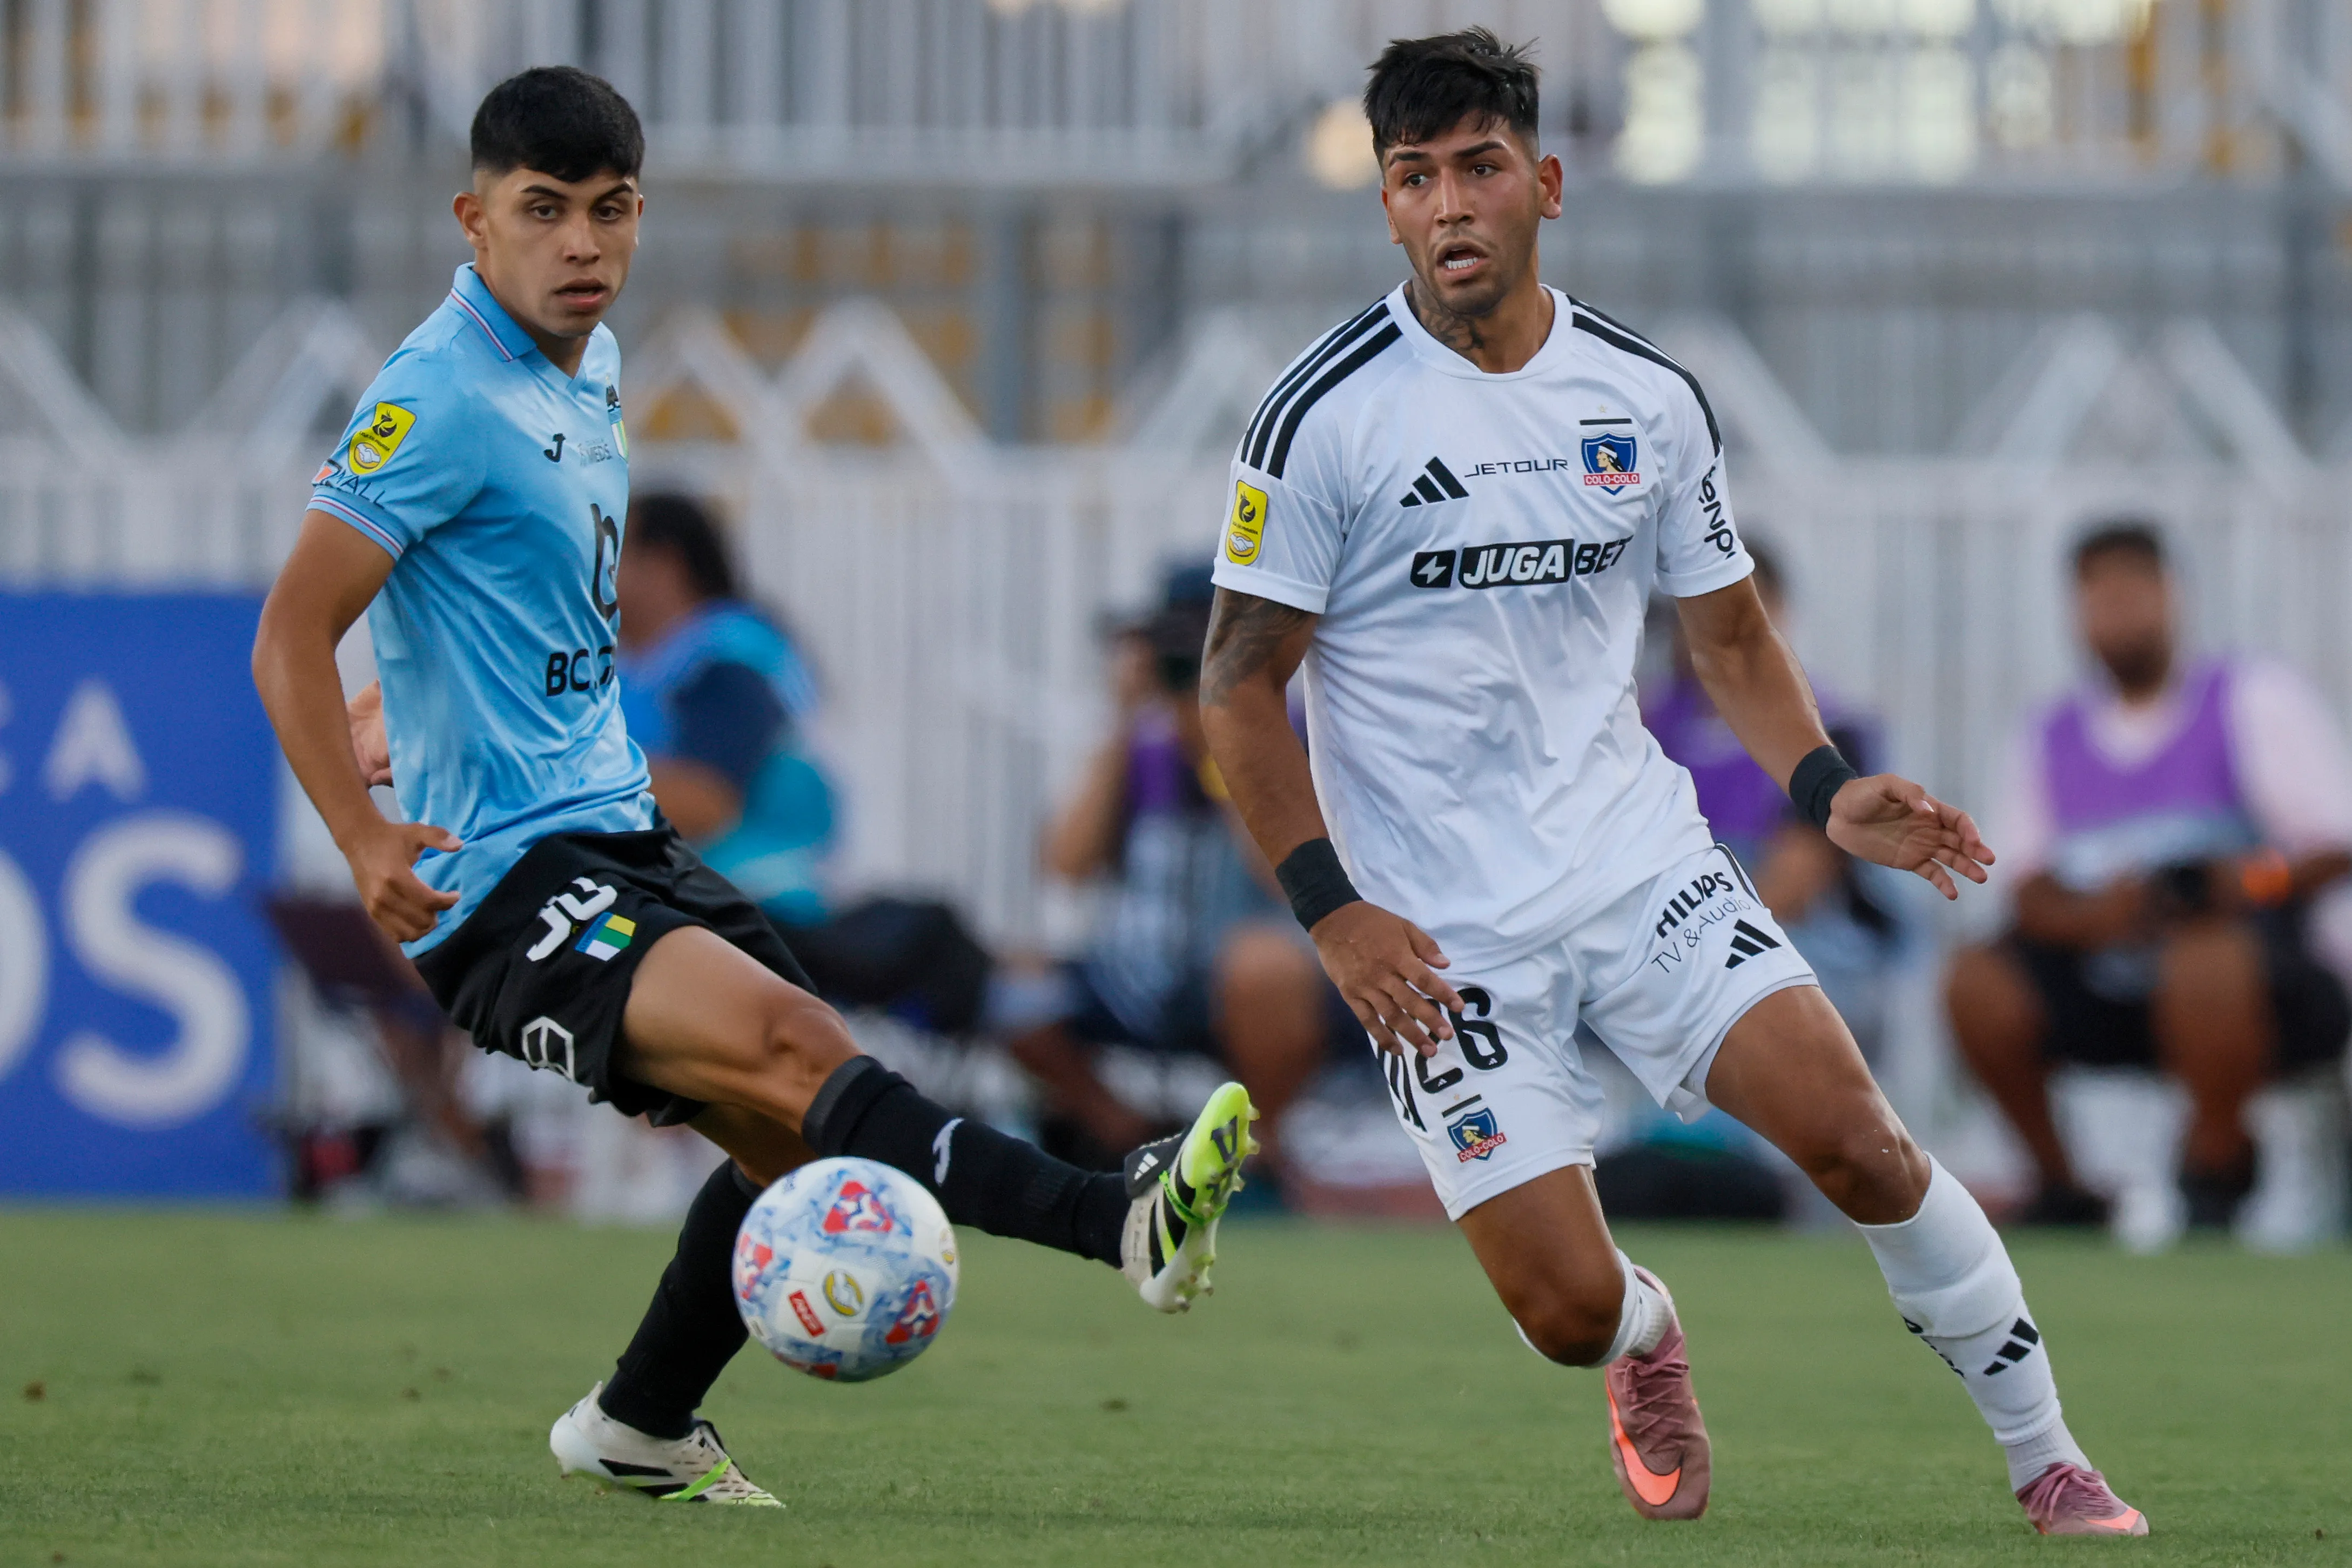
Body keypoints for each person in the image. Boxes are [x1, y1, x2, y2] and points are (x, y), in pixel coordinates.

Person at [251, 67, 1255, 1508]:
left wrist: (407, 701)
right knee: (797, 1048)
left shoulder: (589, 362)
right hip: (504, 886)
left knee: (797, 1132)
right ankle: (1124, 1218)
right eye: (543, 211)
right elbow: (288, 629)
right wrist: (359, 837)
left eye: (610, 210)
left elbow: (501, 599)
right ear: (474, 221)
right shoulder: (438, 394)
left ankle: (639, 1418)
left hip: (619, 833)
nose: (582, 244)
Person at [1196, 29, 2143, 1537]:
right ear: (1386, 207)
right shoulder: (1325, 418)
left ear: (1546, 184)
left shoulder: (1643, 396)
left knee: (1860, 1139)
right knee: (1565, 1310)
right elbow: (1237, 689)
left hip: (1639, 866)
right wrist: (1334, 913)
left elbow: (1729, 633)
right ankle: (1644, 1331)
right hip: (1442, 935)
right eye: (1415, 178)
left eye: (1480, 168)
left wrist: (1824, 785)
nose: (1450, 204)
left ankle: (2050, 1457)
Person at [1947, 522, 2352, 1230]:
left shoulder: (2250, 697)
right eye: (2098, 598)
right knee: (1975, 981)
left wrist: (2239, 883)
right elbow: (2024, 883)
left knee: (2203, 960)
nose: (2117, 615)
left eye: (2132, 594)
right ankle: (2062, 1187)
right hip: (2105, 968)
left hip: (2258, 975)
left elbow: (2328, 845)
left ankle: (2214, 1167)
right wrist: (2097, 916)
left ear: (2170, 597)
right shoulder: (2046, 734)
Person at [1006, 566, 1347, 1180]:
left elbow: (1286, 877)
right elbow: (1065, 867)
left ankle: (1258, 1153)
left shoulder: (1294, 729)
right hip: (1140, 968)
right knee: (1013, 986)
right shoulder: (1139, 745)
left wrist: (1222, 747)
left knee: (1260, 966)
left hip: (1258, 973)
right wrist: (1122, 722)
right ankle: (1124, 1132)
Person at [1644, 541, 1900, 1057]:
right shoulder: (1646, 730)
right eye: (1697, 610)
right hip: (1670, 948)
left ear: (1778, 615)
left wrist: (1678, 960)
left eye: (1740, 609)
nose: (1720, 629)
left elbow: (1790, 887)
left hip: (1786, 946)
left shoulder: (1831, 732)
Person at [614, 492, 834, 926]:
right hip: (682, 896)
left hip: (755, 906)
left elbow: (707, 800)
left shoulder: (729, 659)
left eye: (610, 550)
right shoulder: (647, 660)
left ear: (664, 564)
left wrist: (570, 783)